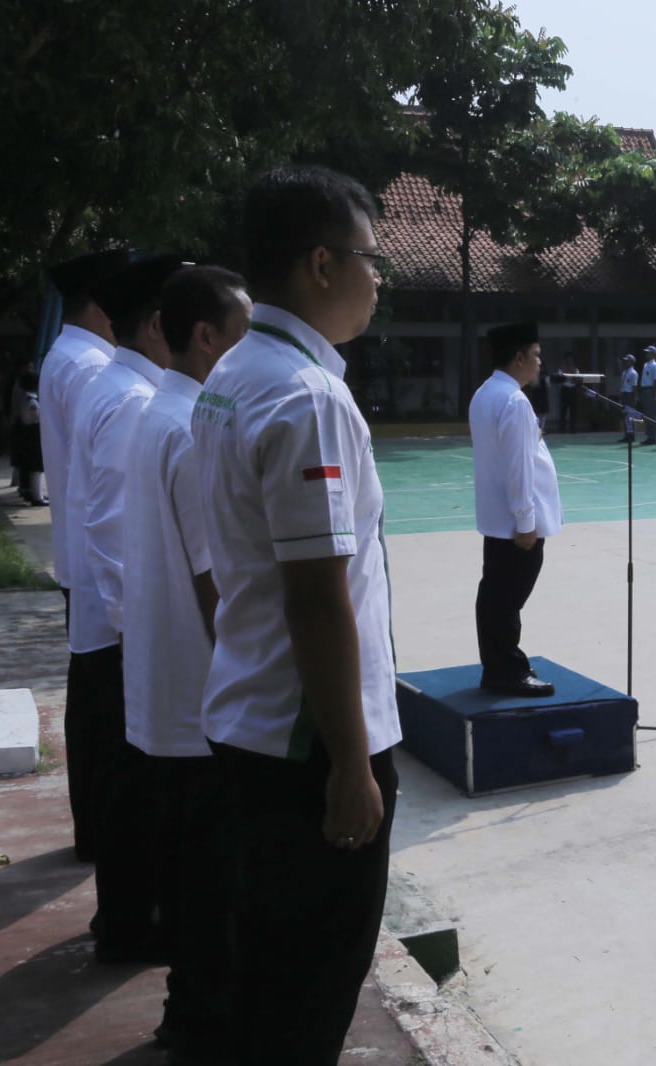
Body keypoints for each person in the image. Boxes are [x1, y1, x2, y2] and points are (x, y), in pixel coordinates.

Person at [191, 164, 399, 1064]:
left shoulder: (236, 370)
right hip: (307, 746)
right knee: (311, 987)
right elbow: (316, 598)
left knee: (264, 975)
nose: (380, 277)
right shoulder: (307, 397)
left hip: (250, 720)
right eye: (370, 257)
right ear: (321, 264)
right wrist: (353, 764)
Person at [122, 264, 251, 1059]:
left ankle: (189, 1011)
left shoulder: (155, 413)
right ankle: (201, 1022)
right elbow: (217, 585)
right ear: (204, 336)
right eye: (240, 334)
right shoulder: (195, 424)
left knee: (183, 868)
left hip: (162, 685)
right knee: (213, 878)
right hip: (202, 692)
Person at [70, 252, 186, 962]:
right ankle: (128, 922)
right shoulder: (135, 401)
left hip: (119, 626)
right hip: (126, 632)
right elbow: (112, 530)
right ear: (153, 328)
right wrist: (136, 632)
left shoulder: (117, 386)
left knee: (130, 785)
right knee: (136, 789)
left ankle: (125, 914)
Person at [37, 247, 128, 862]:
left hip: (79, 559)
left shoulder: (63, 356)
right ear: (101, 305)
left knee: (90, 707)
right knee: (107, 717)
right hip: (102, 571)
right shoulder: (95, 367)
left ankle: (92, 831)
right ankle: (102, 834)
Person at [471, 321, 563, 698]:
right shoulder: (514, 401)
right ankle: (506, 670)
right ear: (519, 356)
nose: (540, 363)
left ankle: (501, 664)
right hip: (517, 523)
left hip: (498, 519)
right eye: (536, 355)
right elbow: (518, 467)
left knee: (496, 594)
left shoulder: (486, 393)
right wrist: (526, 521)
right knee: (506, 599)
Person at [10, 368, 45, 504]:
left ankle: (28, 490)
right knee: (36, 467)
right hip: (33, 434)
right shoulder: (32, 401)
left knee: (27, 465)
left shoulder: (25, 397)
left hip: (27, 433)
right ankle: (37, 496)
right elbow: (38, 417)